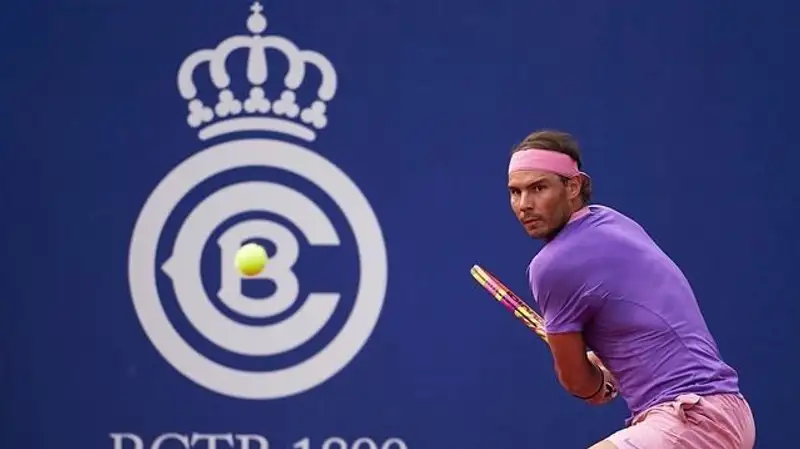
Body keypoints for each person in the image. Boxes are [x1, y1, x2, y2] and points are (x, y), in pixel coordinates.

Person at [506, 130, 756, 448]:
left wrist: (597, 383)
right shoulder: (612, 222)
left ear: (573, 186)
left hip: (692, 419)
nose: (524, 205)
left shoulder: (552, 265)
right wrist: (605, 368)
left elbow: (578, 382)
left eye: (538, 188)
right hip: (727, 413)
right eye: (515, 192)